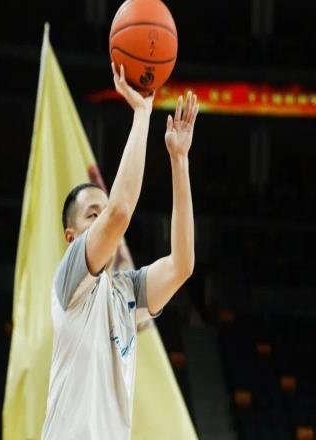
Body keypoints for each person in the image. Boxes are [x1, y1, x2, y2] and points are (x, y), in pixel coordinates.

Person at [41, 63, 199, 440]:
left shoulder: (127, 292)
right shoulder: (70, 280)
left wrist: (179, 160)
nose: (102, 219)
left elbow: (182, 265)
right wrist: (142, 114)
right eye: (91, 215)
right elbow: (120, 212)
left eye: (103, 210)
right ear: (71, 237)